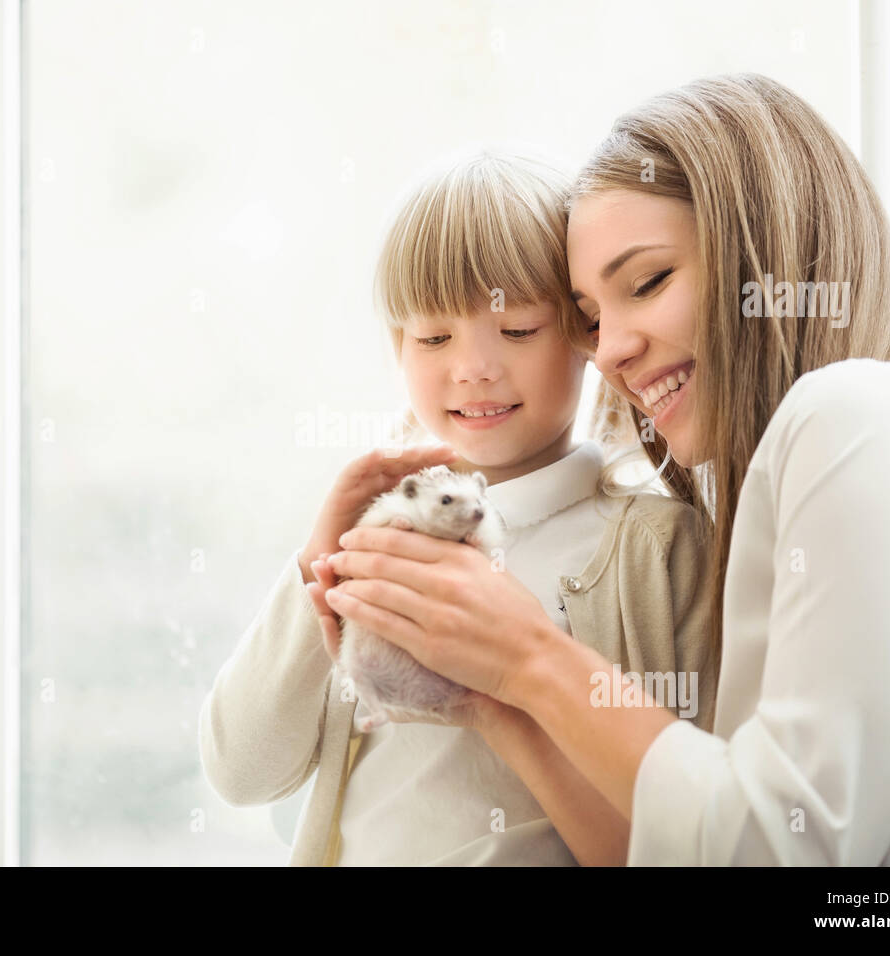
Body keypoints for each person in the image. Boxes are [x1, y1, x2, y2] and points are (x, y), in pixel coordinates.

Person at [313, 73, 890, 865]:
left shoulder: (859, 412)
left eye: (648, 283)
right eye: (594, 319)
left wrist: (530, 657)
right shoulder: (787, 493)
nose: (609, 351)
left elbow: (781, 851)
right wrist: (495, 698)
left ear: (770, 252)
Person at [200, 146, 719, 866]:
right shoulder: (374, 544)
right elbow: (243, 770)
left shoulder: (658, 550)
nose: (472, 367)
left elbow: (701, 826)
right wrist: (317, 564)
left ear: (584, 336)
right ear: (397, 348)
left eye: (517, 330)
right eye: (434, 336)